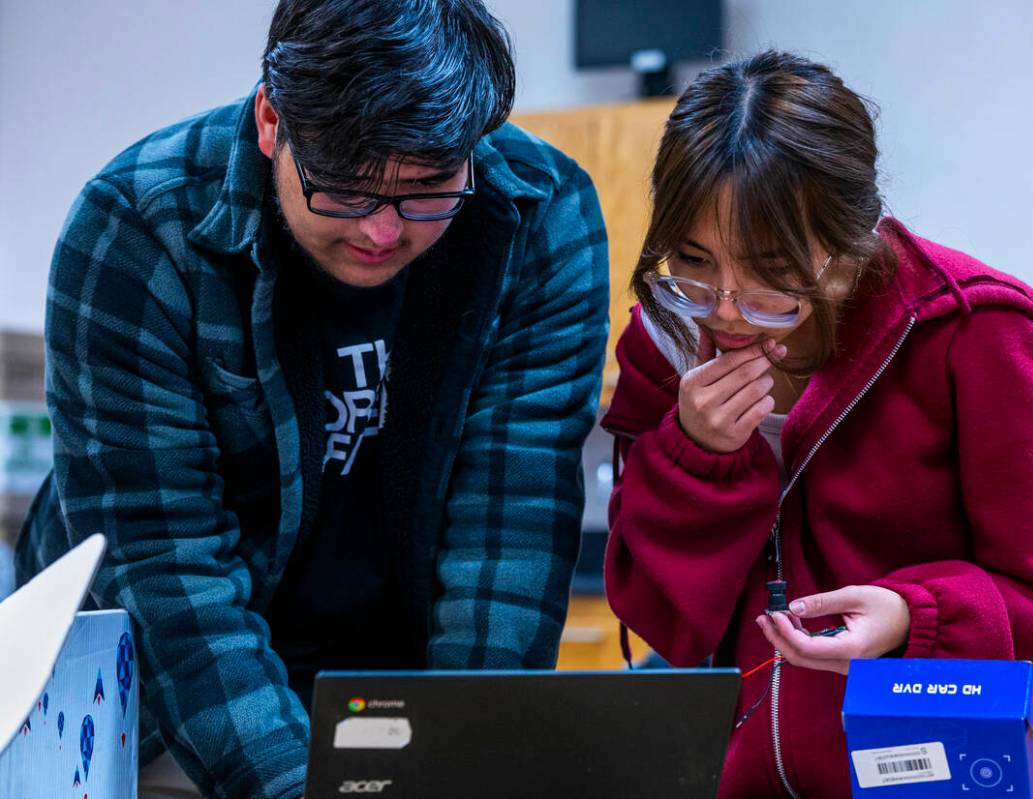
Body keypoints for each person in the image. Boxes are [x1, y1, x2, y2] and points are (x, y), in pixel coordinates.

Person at [15, 1, 608, 796]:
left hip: (394, 687)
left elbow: (511, 532)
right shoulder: (138, 229)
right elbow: (166, 566)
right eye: (346, 192)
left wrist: (470, 761)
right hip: (160, 709)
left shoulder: (540, 214)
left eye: (426, 191)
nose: (381, 233)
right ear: (271, 121)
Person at [603, 50, 1033, 798]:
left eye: (769, 270)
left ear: (847, 251)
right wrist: (697, 457)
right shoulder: (667, 343)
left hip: (960, 778)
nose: (722, 305)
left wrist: (917, 620)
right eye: (692, 260)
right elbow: (665, 622)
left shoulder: (978, 335)